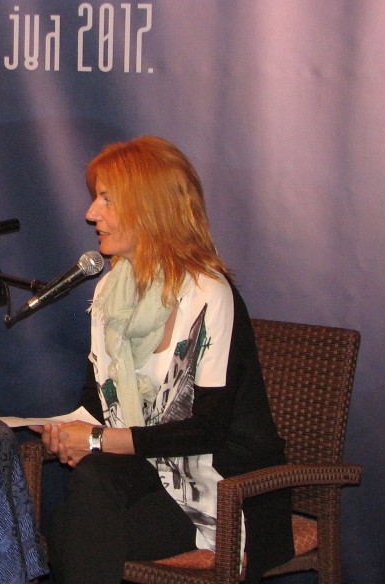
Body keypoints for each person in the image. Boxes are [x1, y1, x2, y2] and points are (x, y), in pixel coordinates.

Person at [37, 136, 294, 584]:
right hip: (149, 478)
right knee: (86, 505)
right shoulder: (109, 292)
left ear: (151, 209)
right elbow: (98, 406)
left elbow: (207, 430)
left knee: (72, 532)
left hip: (223, 494)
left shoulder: (210, 294)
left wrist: (95, 440)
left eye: (107, 199)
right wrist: (65, 433)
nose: (91, 213)